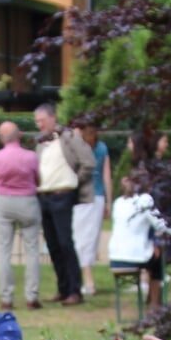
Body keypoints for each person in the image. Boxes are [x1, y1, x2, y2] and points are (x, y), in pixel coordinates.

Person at [33, 103, 94, 304]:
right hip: (44, 196)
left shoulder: (68, 138)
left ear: (53, 118)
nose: (39, 125)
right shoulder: (41, 143)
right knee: (52, 244)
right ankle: (63, 288)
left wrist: (75, 182)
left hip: (62, 194)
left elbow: (88, 161)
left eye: (42, 120)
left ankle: (75, 290)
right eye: (37, 122)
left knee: (65, 242)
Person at [0, 120, 43, 310]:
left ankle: (6, 297)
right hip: (28, 200)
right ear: (19, 135)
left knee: (4, 250)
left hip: (4, 201)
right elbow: (38, 179)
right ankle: (32, 296)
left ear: (1, 138)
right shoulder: (31, 156)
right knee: (32, 250)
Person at [107, 171, 171, 311]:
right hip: (135, 256)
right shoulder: (145, 201)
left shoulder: (118, 202)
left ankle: (151, 298)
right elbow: (160, 225)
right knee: (158, 262)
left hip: (115, 256)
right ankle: (155, 304)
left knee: (153, 256)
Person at [72, 122, 112, 298]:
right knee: (91, 238)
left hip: (81, 196)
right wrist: (109, 202)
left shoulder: (78, 147)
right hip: (97, 196)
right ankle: (87, 278)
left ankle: (87, 280)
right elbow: (106, 176)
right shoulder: (102, 147)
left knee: (80, 238)